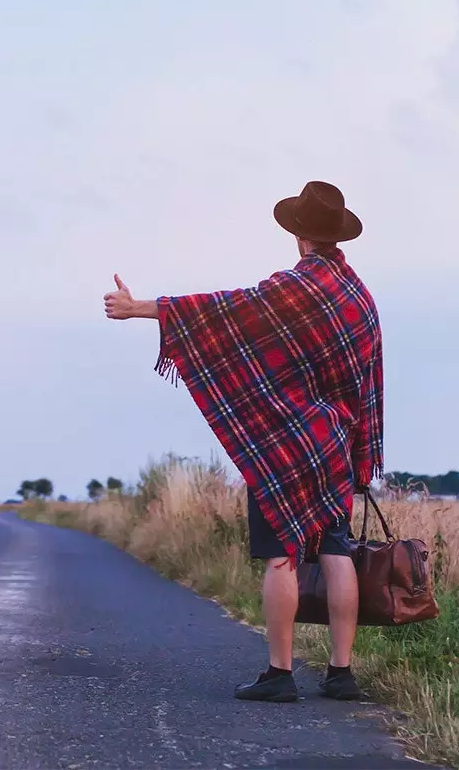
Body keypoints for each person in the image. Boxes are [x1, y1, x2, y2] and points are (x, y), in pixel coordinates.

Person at [103, 180, 383, 704]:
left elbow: (225, 312)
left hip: (284, 446)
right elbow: (369, 380)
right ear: (337, 236)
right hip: (334, 445)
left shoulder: (287, 290)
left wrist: (139, 307)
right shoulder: (359, 299)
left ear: (300, 235)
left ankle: (280, 675)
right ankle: (341, 674)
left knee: (282, 556)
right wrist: (363, 453)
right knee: (337, 551)